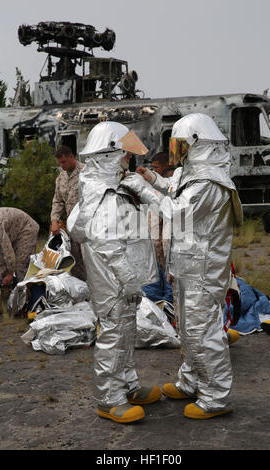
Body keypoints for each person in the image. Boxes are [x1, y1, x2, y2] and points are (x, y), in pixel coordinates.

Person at [120, 113, 243, 419]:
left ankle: (216, 398)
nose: (178, 155)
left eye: (181, 147)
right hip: (188, 267)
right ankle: (191, 382)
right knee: (187, 330)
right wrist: (154, 180)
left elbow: (176, 211)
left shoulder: (210, 182)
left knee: (204, 333)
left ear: (198, 145)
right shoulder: (195, 175)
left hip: (203, 271)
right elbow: (174, 188)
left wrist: (142, 189)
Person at [67, 121, 162, 424]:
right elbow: (110, 245)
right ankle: (109, 399)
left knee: (127, 332)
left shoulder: (111, 190)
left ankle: (128, 385)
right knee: (113, 335)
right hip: (114, 282)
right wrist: (130, 280)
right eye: (125, 155)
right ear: (109, 155)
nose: (129, 160)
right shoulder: (104, 196)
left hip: (122, 281)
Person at [51, 145, 86, 281]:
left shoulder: (86, 172)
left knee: (91, 262)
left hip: (87, 227)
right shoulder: (61, 178)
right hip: (71, 227)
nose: (62, 165)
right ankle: (82, 293)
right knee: (75, 263)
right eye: (59, 163)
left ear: (72, 156)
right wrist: (54, 221)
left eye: (64, 162)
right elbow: (58, 201)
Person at [0, 207, 39, 287]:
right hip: (12, 232)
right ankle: (7, 292)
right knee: (0, 267)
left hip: (26, 228)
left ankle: (26, 293)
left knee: (21, 266)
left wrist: (10, 273)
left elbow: (7, 251)